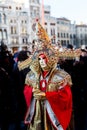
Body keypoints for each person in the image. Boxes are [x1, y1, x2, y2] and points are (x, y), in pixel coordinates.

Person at [22, 44, 73, 130]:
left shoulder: (62, 76)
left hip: (53, 112)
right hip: (37, 110)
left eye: (44, 58)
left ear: (50, 59)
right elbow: (26, 88)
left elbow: (66, 96)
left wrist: (47, 95)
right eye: (39, 59)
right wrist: (32, 90)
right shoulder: (31, 75)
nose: (41, 61)